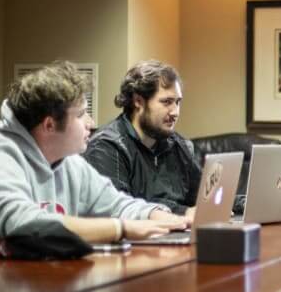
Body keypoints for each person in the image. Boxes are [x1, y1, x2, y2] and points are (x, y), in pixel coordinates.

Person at [0, 61, 186, 260]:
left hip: (44, 283)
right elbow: (25, 226)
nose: (90, 122)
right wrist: (121, 228)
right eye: (81, 114)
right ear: (49, 125)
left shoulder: (70, 163)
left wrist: (163, 217)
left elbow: (116, 204)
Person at [84, 60, 201, 221]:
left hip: (177, 236)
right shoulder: (107, 146)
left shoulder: (179, 146)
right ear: (138, 101)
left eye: (178, 102)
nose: (175, 112)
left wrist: (240, 203)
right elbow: (120, 209)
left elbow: (204, 198)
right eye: (166, 102)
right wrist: (183, 212)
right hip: (134, 244)